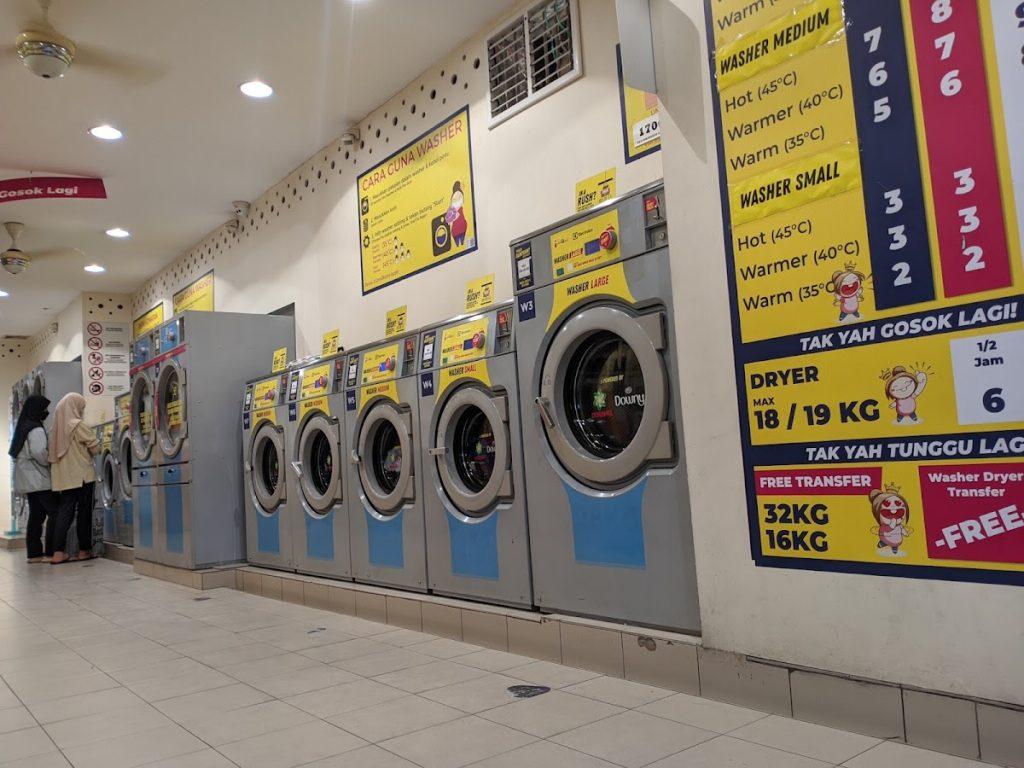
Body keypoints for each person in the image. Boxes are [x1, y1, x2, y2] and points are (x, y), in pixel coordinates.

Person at [48, 393, 99, 564]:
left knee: (64, 514)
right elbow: (95, 448)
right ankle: (84, 551)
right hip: (82, 477)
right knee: (84, 514)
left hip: (65, 479)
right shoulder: (78, 425)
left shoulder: (54, 429)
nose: (82, 411)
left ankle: (58, 553)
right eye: (81, 407)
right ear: (74, 407)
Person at [9, 394, 54, 563]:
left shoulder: (24, 425)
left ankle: (34, 554)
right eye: (44, 408)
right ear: (37, 409)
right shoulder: (35, 428)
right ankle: (52, 551)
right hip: (38, 478)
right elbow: (39, 452)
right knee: (55, 512)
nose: (46, 412)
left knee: (36, 515)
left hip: (27, 479)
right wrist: (50, 462)